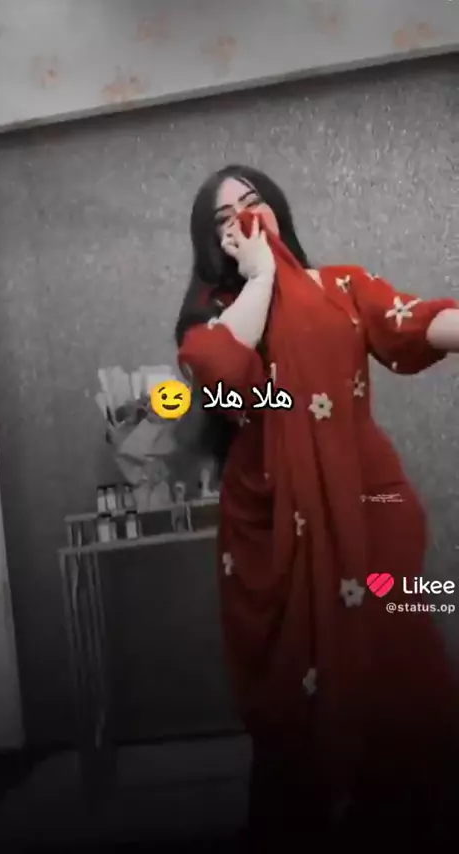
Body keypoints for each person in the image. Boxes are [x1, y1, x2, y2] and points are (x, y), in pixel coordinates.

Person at [174, 165, 459, 846]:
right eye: (225, 218)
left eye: (254, 203)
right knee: (294, 704)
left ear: (278, 209)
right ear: (213, 242)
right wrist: (261, 280)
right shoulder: (210, 319)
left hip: (370, 515)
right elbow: (221, 369)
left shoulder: (342, 288)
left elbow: (416, 322)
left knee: (401, 675)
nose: (245, 219)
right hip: (272, 532)